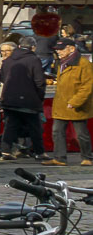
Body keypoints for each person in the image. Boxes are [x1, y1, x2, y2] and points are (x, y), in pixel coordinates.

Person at [46, 38, 93, 167]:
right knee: (57, 132)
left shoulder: (84, 64)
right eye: (57, 50)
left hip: (77, 105)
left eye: (61, 49)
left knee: (81, 134)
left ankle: (87, 157)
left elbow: (87, 86)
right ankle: (59, 158)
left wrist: (75, 101)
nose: (58, 52)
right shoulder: (62, 63)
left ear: (72, 49)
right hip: (62, 104)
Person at [0, 38, 47, 161]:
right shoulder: (33, 60)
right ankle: (39, 152)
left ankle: (5, 150)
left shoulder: (8, 60)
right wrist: (39, 97)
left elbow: (4, 79)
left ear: (19, 46)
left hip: (9, 98)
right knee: (34, 126)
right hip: (28, 99)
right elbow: (39, 82)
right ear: (33, 47)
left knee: (11, 125)